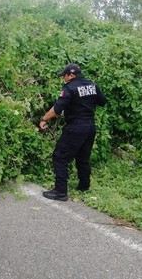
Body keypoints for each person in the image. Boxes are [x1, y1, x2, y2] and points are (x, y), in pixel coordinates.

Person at [39, 63, 107, 201]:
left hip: (76, 127)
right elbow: (103, 102)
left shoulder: (69, 88)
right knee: (83, 158)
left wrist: (44, 119)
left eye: (64, 76)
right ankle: (84, 186)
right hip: (90, 127)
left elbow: (57, 109)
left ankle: (60, 191)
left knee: (60, 157)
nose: (63, 78)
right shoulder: (92, 85)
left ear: (71, 75)